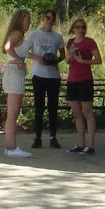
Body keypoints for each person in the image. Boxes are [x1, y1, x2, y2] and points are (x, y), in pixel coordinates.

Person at [21, 9, 65, 149]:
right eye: (48, 18)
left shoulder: (57, 37)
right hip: (39, 75)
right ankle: (38, 137)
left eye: (53, 19)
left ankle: (53, 137)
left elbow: (62, 54)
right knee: (39, 107)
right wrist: (37, 58)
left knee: (53, 108)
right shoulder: (34, 35)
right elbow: (24, 51)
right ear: (42, 18)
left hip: (53, 76)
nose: (50, 21)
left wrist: (56, 60)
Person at [64, 16, 102, 155]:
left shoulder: (89, 42)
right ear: (73, 29)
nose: (80, 29)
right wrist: (69, 59)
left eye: (83, 27)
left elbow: (98, 60)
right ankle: (81, 144)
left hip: (85, 80)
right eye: (78, 27)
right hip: (72, 80)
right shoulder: (70, 42)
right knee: (77, 113)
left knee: (87, 112)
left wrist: (83, 61)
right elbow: (68, 61)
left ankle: (90, 145)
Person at [1, 9, 32, 158]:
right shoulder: (17, 33)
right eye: (28, 19)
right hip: (14, 73)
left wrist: (36, 58)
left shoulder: (18, 34)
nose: (30, 22)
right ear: (21, 20)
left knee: (13, 113)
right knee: (13, 114)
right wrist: (18, 60)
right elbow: (7, 47)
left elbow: (14, 49)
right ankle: (11, 148)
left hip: (14, 73)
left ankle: (10, 147)